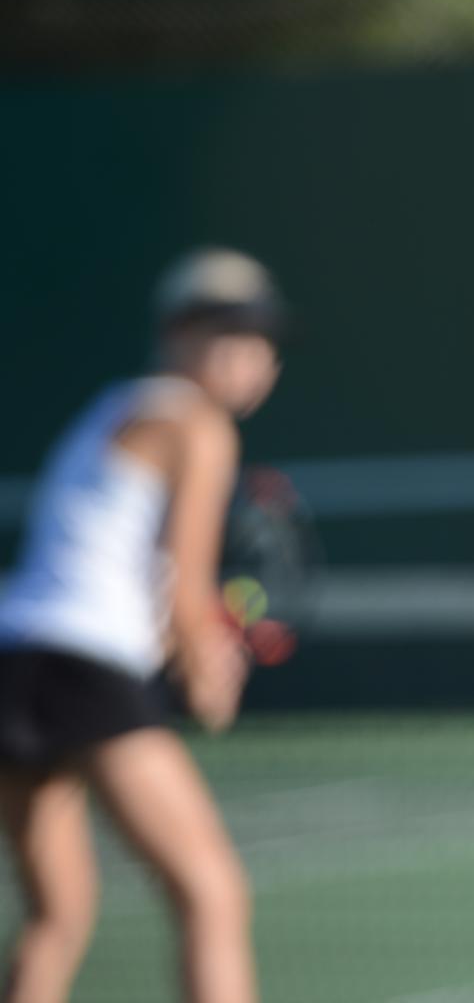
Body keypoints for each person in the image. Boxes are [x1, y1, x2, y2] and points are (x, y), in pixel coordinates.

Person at [0, 248, 282, 1003]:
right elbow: (185, 579)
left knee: (57, 917)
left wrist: (183, 640)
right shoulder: (199, 424)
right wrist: (207, 667)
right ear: (177, 337)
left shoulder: (114, 405)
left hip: (15, 659)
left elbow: (103, 570)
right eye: (225, 333)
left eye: (261, 339)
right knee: (213, 893)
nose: (247, 355)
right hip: (80, 668)